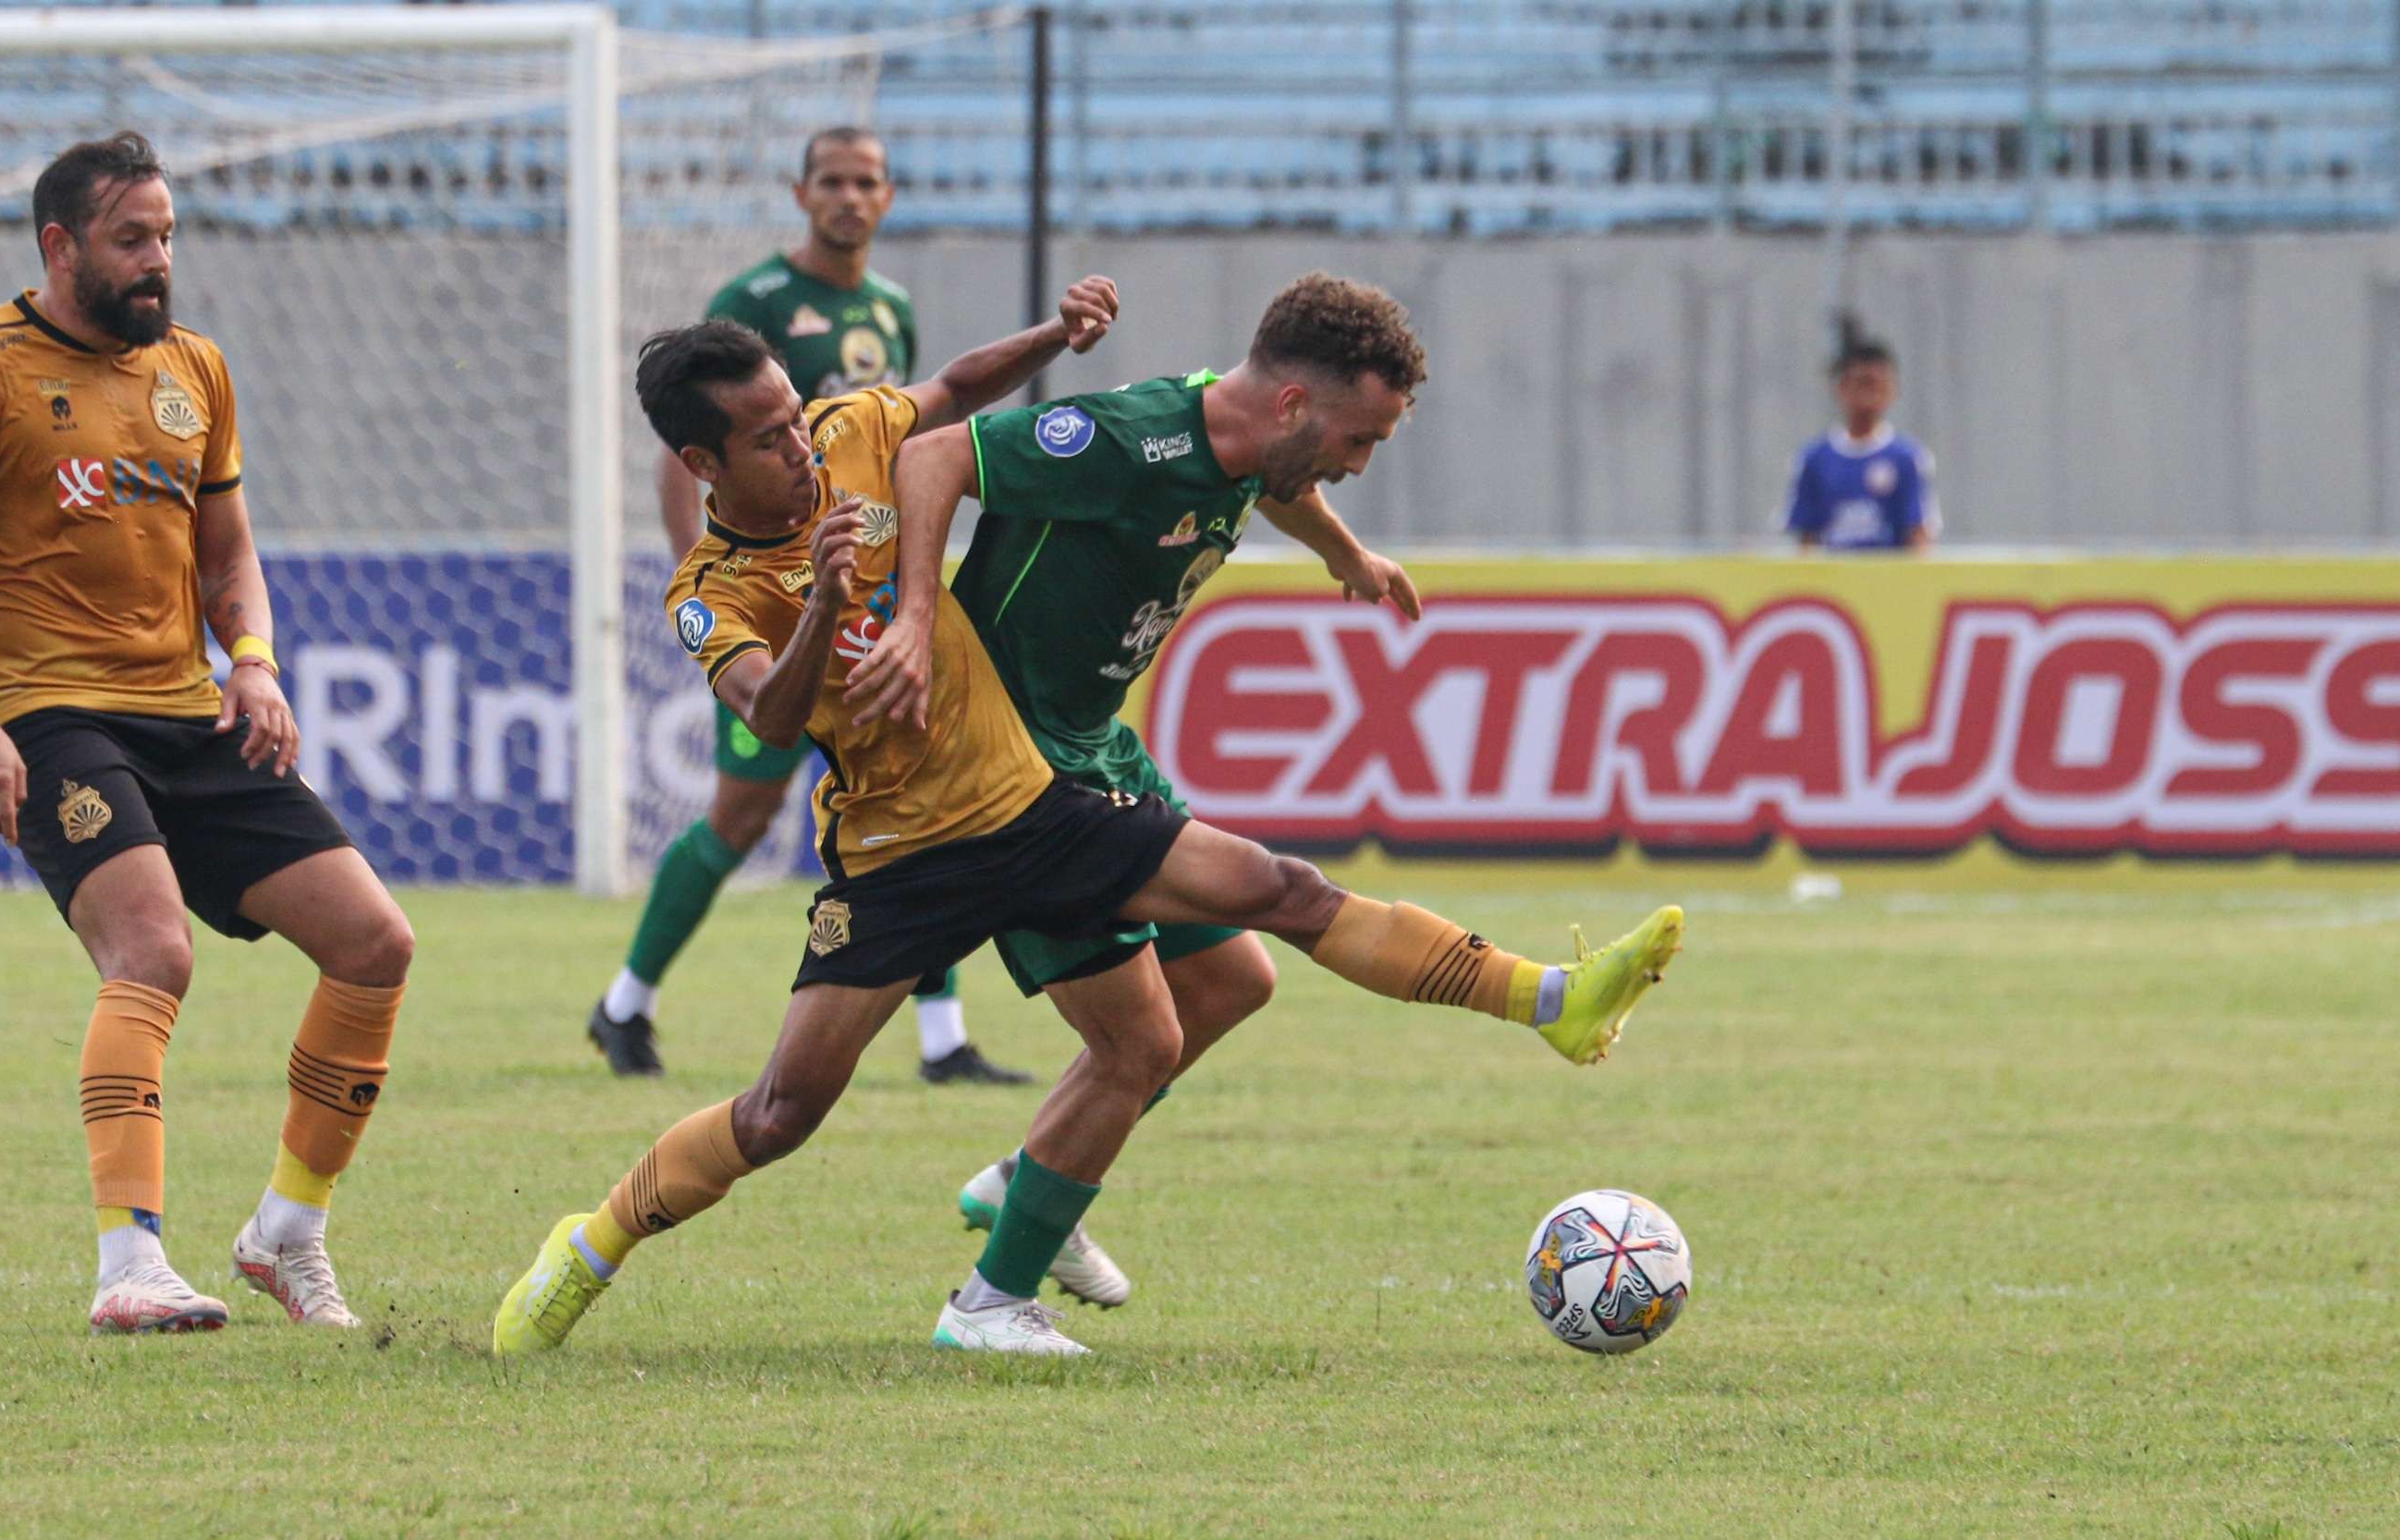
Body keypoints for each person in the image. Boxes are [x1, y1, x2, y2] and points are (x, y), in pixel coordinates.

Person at [489, 316, 1684, 1360]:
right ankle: (589, 1245)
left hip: (1031, 801)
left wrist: (1051, 342)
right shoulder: (709, 586)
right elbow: (766, 709)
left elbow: (944, 401)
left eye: (793, 420)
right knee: (777, 1116)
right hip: (896, 851)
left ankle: (1545, 998)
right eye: (763, 439)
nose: (797, 446)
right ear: (701, 462)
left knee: (1262, 911)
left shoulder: (848, 434)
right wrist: (829, 598)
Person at [0, 132, 414, 1336]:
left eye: (168, 235)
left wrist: (256, 662)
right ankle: (129, 1261)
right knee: (152, 952)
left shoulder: (195, 368)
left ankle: (286, 1231)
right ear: (60, 244)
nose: (158, 260)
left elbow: (229, 550)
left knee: (376, 942)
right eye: (133, 239)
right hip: (51, 714)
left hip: (189, 713)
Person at [860, 272, 1430, 1311]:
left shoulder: (1242, 443)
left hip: (1093, 746)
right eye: (1360, 439)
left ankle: (1029, 1185)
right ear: (1295, 404)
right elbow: (934, 451)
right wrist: (911, 616)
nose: (1356, 463)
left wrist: (1348, 558)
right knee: (1139, 1040)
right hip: (1013, 770)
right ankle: (992, 1300)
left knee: (1232, 983)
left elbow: (1274, 485)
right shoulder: (1128, 441)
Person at [586, 126, 1026, 1086]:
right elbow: (689, 445)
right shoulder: (755, 304)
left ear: (889, 195)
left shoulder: (888, 307)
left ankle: (941, 1035)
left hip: (854, 584)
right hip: (773, 611)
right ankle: (626, 999)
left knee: (910, 772)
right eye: (831, 180)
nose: (848, 198)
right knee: (742, 817)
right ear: (801, 193)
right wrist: (710, 584)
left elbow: (913, 436)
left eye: (866, 181)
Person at [1782, 328, 1941, 552]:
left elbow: (1919, 534)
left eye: (1876, 385)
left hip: (1887, 582)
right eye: (1861, 384)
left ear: (1892, 391)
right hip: (1834, 581)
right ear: (1841, 389)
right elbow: (1806, 538)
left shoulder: (1907, 457)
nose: (1868, 395)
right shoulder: (1814, 459)